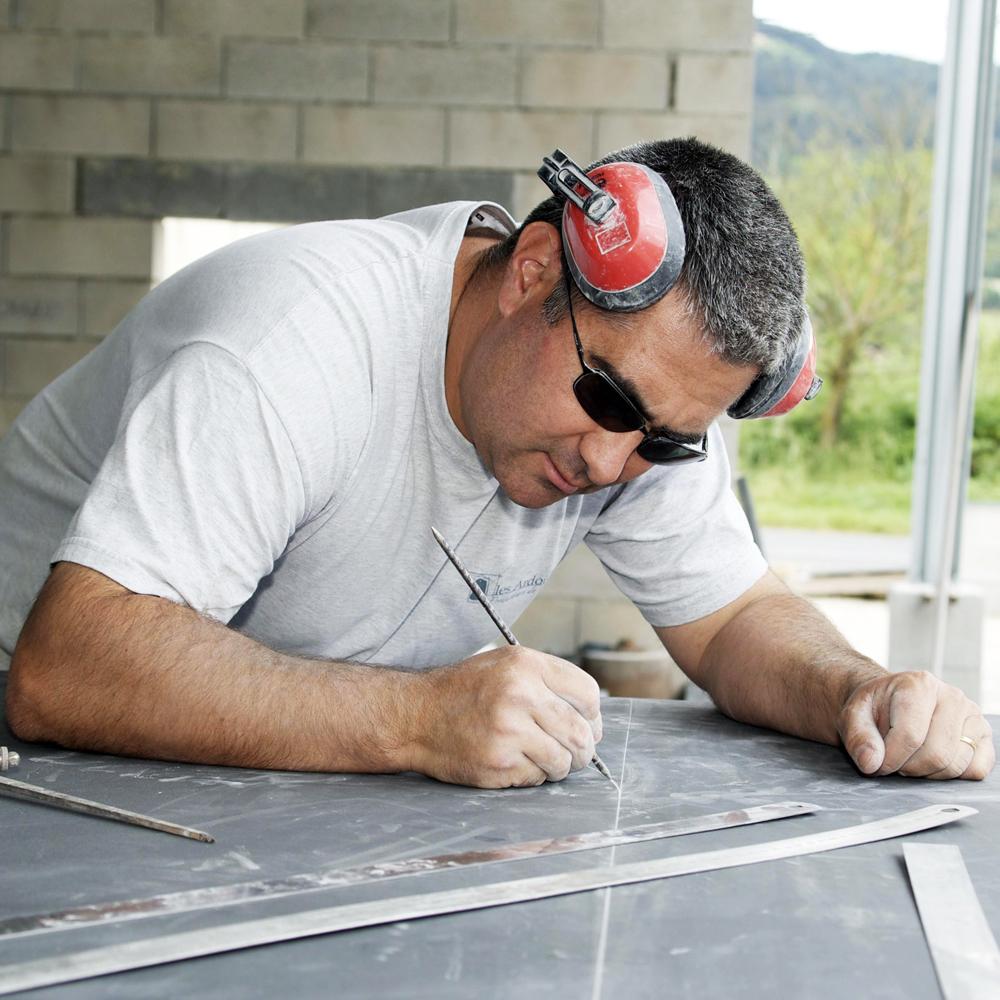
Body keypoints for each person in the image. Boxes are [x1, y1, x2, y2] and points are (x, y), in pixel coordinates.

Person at [1, 139, 993, 788]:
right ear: (531, 273)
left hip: (262, 767)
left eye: (664, 441)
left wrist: (854, 692)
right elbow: (65, 668)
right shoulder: (294, 340)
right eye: (606, 402)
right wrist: (414, 719)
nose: (612, 461)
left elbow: (732, 617)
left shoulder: (647, 389)